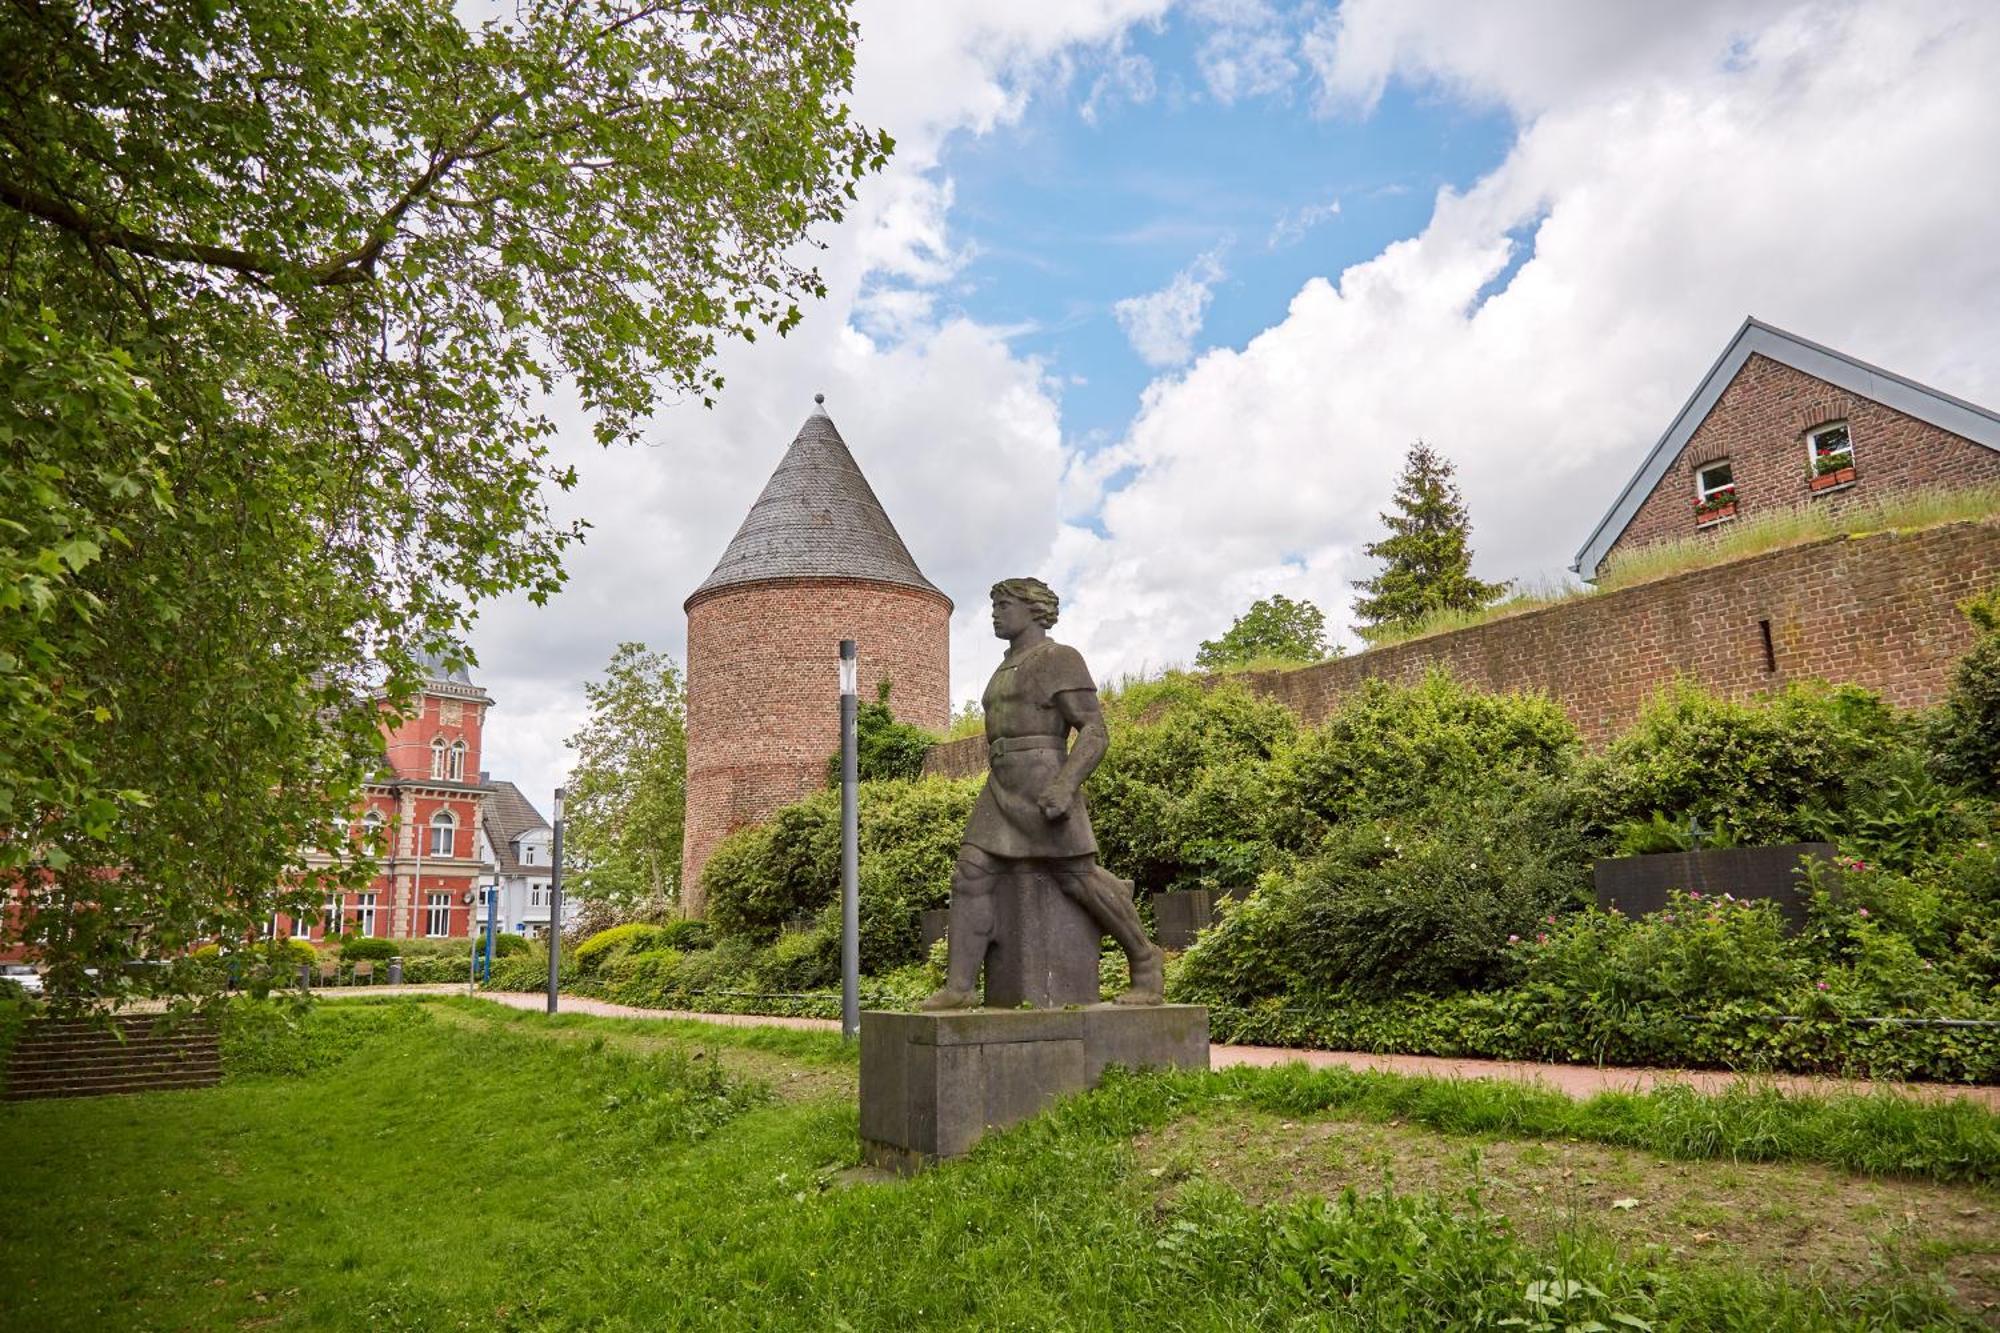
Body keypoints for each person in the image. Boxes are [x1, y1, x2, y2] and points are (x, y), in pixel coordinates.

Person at [922, 577, 1165, 1009]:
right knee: (970, 874)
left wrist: (1066, 784)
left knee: (1077, 878)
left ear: (1034, 609)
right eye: (993, 603)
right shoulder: (1002, 668)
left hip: (1043, 780)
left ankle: (1145, 963)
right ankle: (959, 987)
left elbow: (1094, 731)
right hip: (1000, 783)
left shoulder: (1060, 658)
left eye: (1003, 603)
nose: (995, 612)